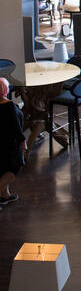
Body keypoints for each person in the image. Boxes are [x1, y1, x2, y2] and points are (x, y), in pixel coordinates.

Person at [0, 76, 26, 208]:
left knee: (2, 169)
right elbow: (17, 127)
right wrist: (23, 142)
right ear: (5, 90)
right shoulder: (10, 107)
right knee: (13, 168)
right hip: (10, 144)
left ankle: (5, 196)